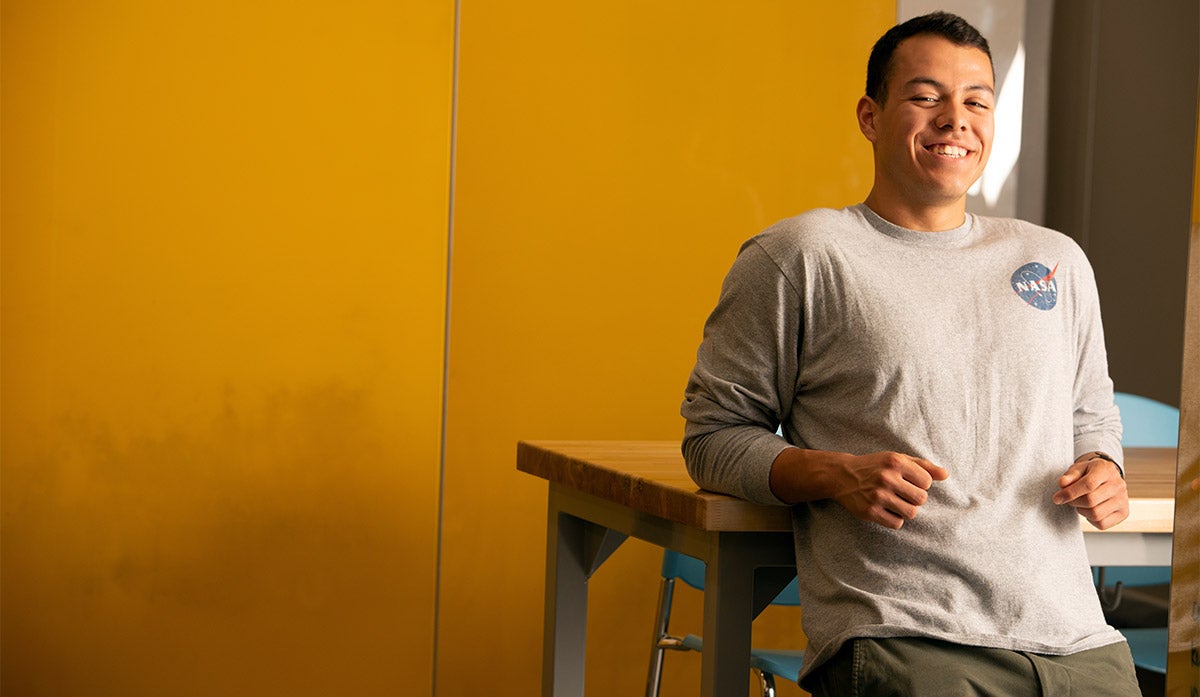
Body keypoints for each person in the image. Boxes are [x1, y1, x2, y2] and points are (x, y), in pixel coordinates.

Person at [680, 11, 1141, 696]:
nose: (956, 119)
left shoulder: (1055, 260)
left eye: (976, 100)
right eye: (926, 96)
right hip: (905, 638)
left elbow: (1090, 412)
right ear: (870, 116)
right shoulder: (801, 256)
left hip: (1076, 638)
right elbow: (712, 438)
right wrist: (834, 473)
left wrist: (1103, 462)